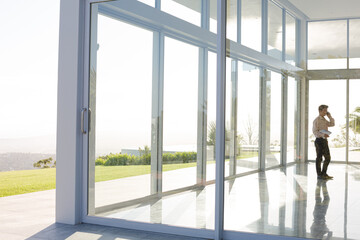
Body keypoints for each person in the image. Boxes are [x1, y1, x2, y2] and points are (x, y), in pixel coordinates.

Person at [312, 105, 335, 180]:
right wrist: (322, 134)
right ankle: (319, 175)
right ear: (320, 111)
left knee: (328, 158)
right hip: (319, 141)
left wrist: (330, 117)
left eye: (326, 110)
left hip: (324, 140)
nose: (326, 112)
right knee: (319, 158)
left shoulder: (325, 120)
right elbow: (315, 132)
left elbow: (332, 124)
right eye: (324, 110)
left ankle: (324, 173)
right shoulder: (316, 120)